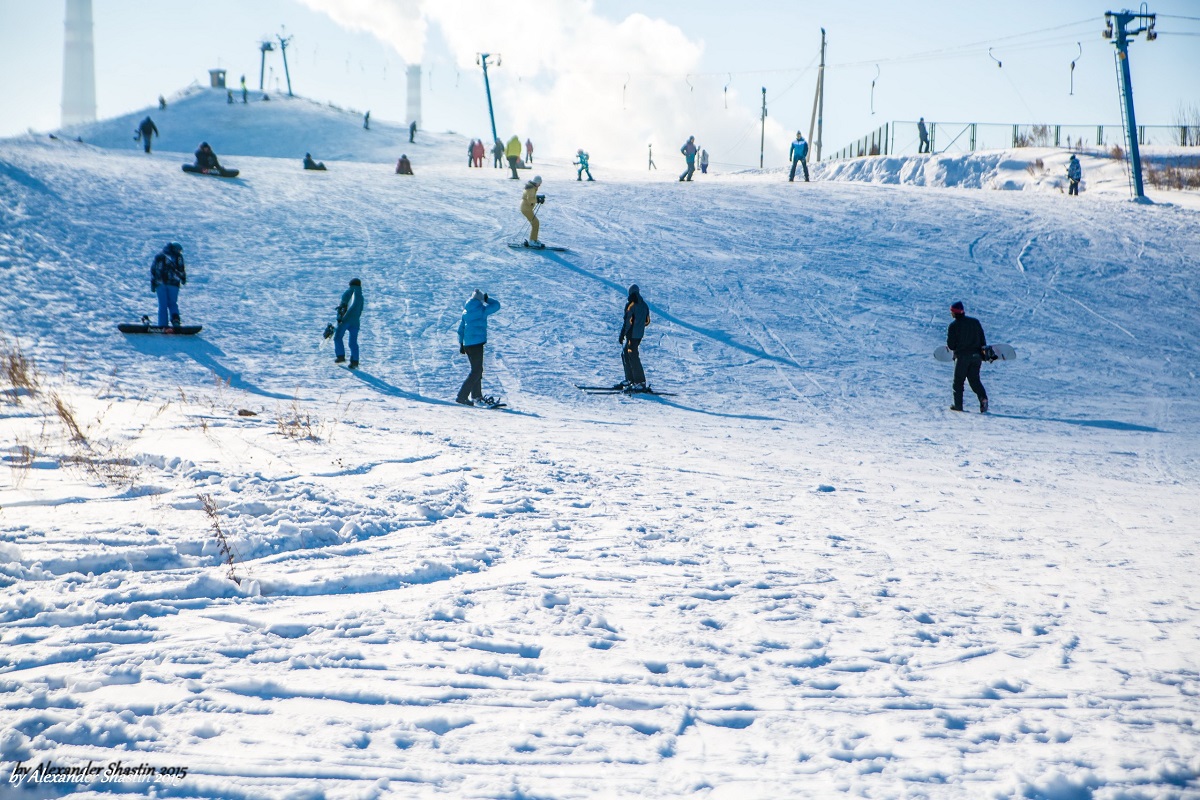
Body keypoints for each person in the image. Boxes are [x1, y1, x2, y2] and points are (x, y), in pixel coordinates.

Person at [455, 289, 502, 406]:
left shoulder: (466, 311)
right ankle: (462, 396)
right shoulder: (481, 310)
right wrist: (487, 299)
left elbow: (461, 329)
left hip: (467, 344)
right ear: (480, 299)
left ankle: (476, 396)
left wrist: (461, 343)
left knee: (476, 370)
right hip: (477, 343)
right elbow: (497, 306)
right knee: (476, 371)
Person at [946, 301, 988, 413]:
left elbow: (951, 345)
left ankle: (958, 405)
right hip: (976, 357)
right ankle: (983, 398)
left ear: (954, 313)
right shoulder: (975, 322)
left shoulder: (953, 326)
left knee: (958, 382)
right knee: (975, 380)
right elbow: (983, 340)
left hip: (962, 357)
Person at [619, 284, 652, 391]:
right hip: (638, 335)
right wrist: (639, 327)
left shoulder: (631, 305)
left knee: (632, 356)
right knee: (626, 353)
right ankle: (631, 379)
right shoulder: (644, 305)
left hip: (631, 335)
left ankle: (639, 381)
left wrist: (622, 334)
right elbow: (647, 321)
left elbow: (627, 322)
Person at [150, 242, 186, 328]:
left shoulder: (159, 256)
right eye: (179, 250)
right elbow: (181, 269)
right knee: (172, 303)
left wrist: (153, 283)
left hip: (160, 283)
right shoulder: (178, 257)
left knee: (163, 304)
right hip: (173, 283)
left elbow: (153, 270)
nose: (179, 252)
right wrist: (183, 278)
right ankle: (175, 321)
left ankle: (162, 325)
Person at [333, 278, 364, 369]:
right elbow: (360, 310)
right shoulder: (361, 297)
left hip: (345, 321)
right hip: (355, 323)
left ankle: (341, 356)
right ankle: (355, 361)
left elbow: (343, 306)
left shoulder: (348, 293)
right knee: (353, 342)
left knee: (338, 337)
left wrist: (339, 318)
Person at [521, 175, 544, 247]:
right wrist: (538, 200)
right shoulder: (531, 189)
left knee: (535, 223)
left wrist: (538, 197)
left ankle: (533, 239)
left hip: (526, 208)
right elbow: (530, 199)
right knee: (535, 223)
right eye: (539, 183)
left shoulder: (532, 187)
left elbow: (531, 197)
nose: (540, 185)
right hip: (526, 209)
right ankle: (532, 241)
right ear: (536, 182)